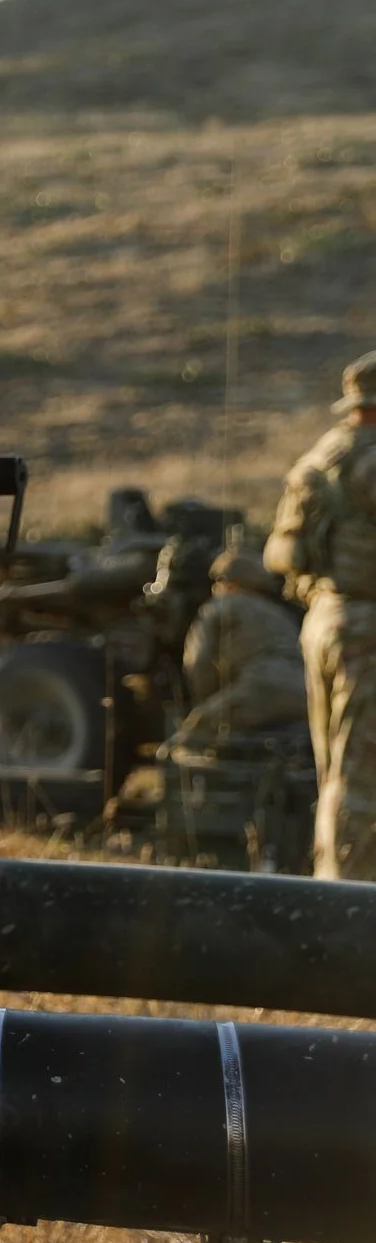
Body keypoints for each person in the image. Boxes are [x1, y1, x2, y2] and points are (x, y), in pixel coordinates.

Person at [266, 350, 376, 880]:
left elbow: (280, 555)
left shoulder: (319, 459)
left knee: (334, 770)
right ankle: (352, 910)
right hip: (368, 635)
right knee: (362, 782)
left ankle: (331, 888)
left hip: (325, 623)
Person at [166, 550, 307, 753]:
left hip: (257, 689)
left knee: (187, 741)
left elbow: (198, 661)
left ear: (229, 582)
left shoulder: (219, 606)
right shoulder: (280, 614)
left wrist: (204, 703)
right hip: (302, 696)